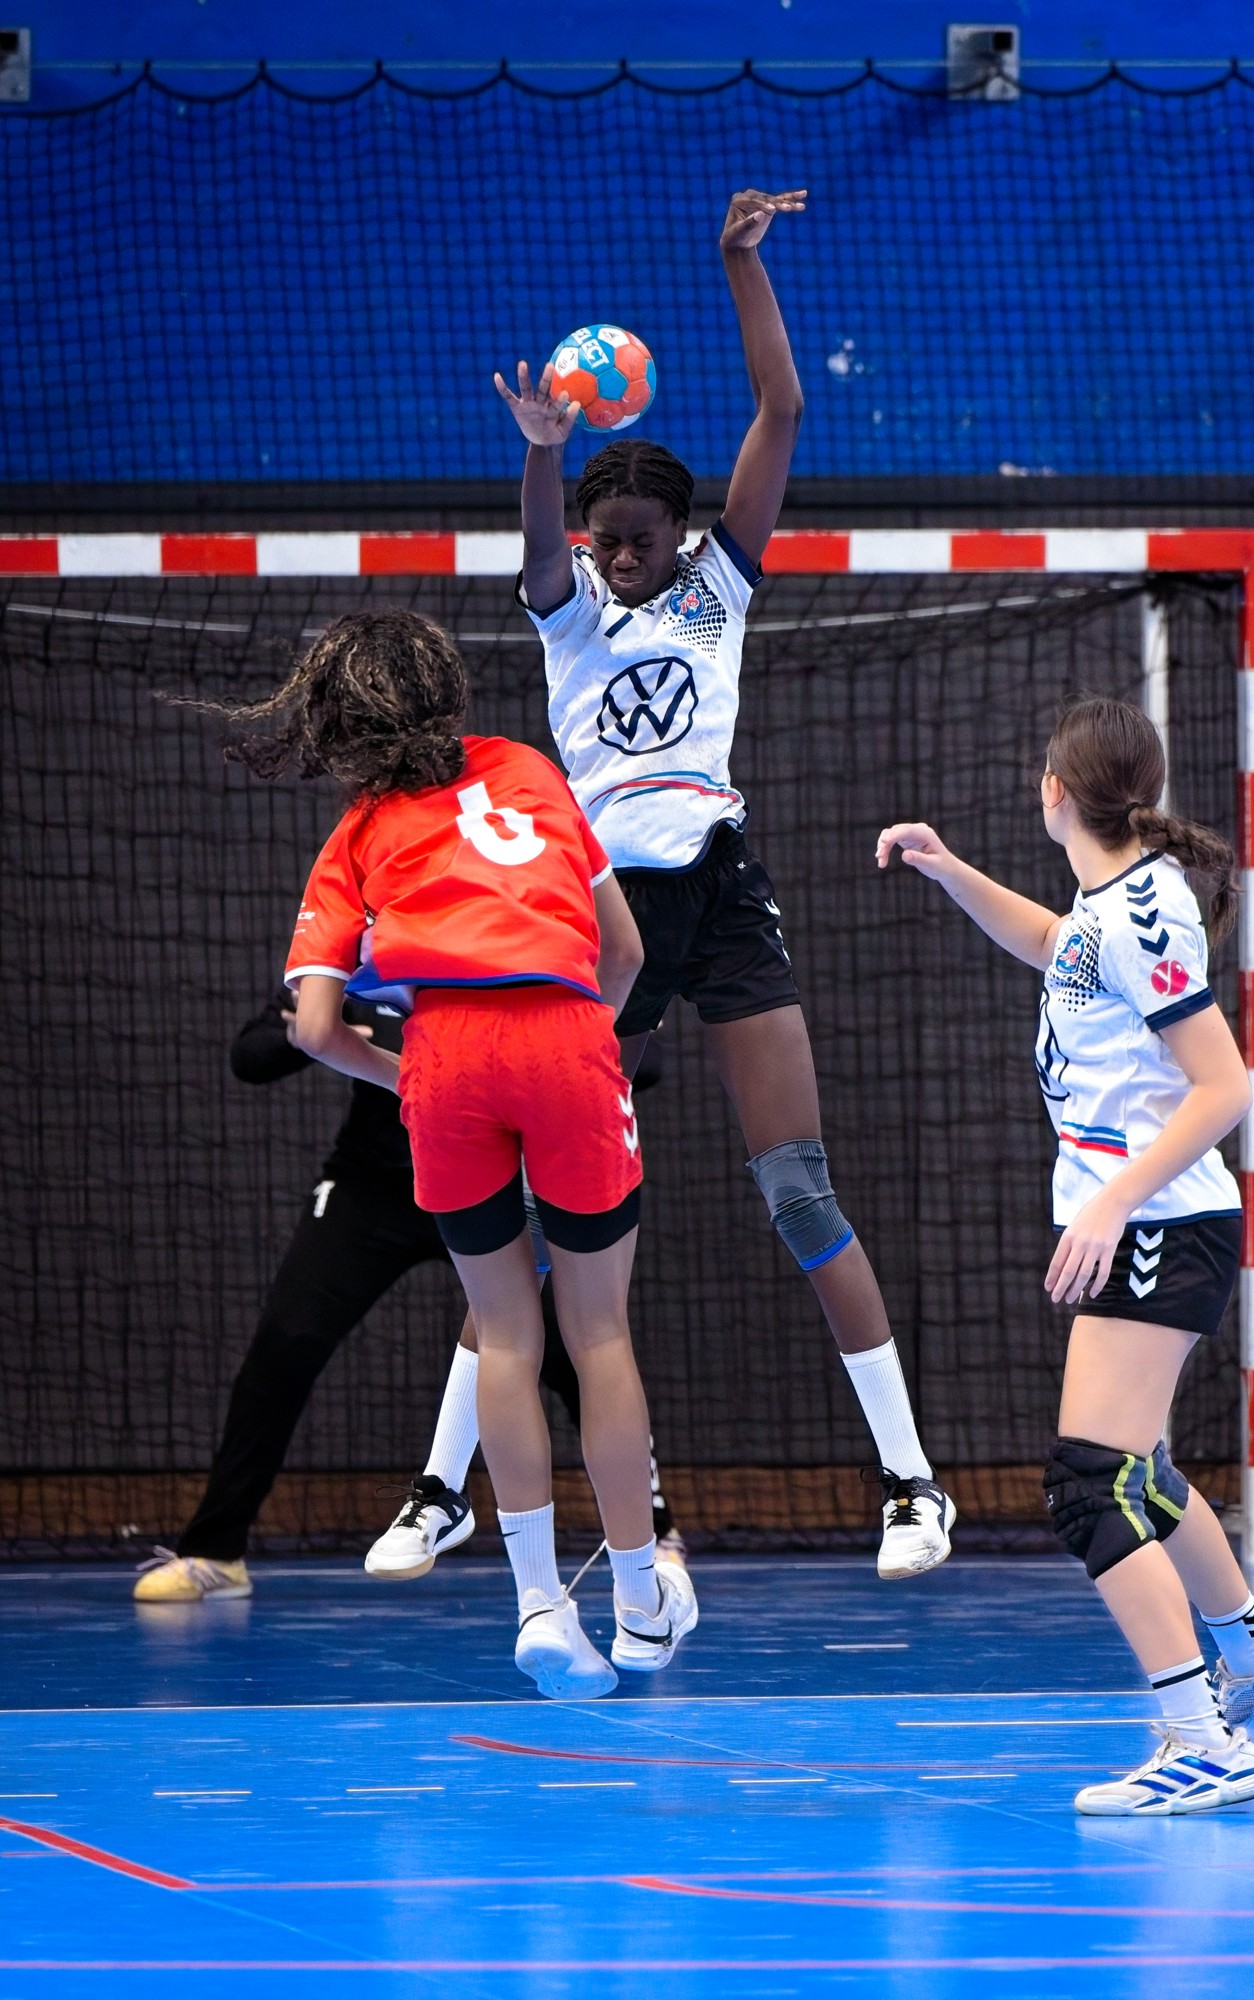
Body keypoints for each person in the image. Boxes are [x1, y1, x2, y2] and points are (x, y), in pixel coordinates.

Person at [383, 185, 952, 1583]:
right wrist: (543, 457)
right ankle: (439, 1486)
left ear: (677, 534)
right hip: (600, 919)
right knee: (532, 1222)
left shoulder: (717, 588)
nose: (619, 554)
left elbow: (781, 413)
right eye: (605, 537)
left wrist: (736, 264)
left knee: (799, 1190)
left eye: (640, 535)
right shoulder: (568, 609)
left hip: (721, 889)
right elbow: (538, 545)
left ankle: (910, 1482)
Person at [179, 606, 697, 1698]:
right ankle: (641, 1594)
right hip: (566, 1039)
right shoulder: (531, 770)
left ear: (340, 725)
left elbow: (311, 1027)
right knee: (598, 1333)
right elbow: (625, 949)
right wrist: (586, 1053)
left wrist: (408, 1072)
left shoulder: (357, 832)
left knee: (503, 1335)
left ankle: (540, 1604)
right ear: (445, 692)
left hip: (446, 1060)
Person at [878, 694, 1254, 1814]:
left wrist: (1110, 1205)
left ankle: (1205, 1741)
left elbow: (1223, 1086)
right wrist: (950, 870)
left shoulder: (1139, 914)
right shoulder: (1107, 901)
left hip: (1160, 1226)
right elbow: (1053, 947)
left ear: (1053, 790)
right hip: (1155, 1223)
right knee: (1139, 1468)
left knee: (1089, 1483)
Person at [132, 992, 679, 1604]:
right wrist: (320, 1031)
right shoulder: (357, 968)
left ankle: (653, 1537)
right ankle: (214, 1551)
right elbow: (252, 1055)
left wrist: (562, 1042)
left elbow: (644, 1058)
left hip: (489, 1181)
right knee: (285, 1344)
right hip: (373, 1187)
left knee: (575, 1348)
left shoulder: (510, 967)